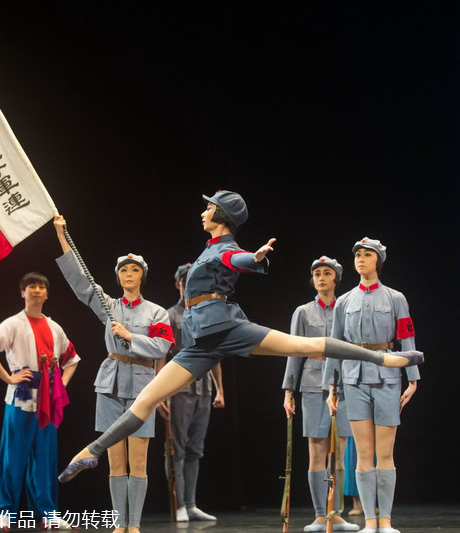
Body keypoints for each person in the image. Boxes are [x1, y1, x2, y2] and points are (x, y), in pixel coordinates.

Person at [57, 190, 422, 488]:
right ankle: (91, 451)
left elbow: (238, 258)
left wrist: (256, 256)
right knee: (148, 398)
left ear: (222, 214)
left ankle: (384, 359)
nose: (203, 212)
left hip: (227, 328)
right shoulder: (208, 247)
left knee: (307, 346)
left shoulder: (225, 247)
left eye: (208, 207)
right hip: (200, 343)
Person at [54, 224, 174, 533]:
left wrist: (130, 335)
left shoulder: (158, 312)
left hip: (143, 386)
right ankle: (120, 524)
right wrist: (61, 236)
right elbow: (81, 282)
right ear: (118, 276)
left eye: (134, 270)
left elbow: (162, 347)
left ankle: (134, 524)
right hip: (109, 384)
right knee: (114, 461)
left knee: (138, 460)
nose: (129, 274)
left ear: (142, 275)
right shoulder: (109, 307)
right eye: (124, 270)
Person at [323, 238, 420, 533]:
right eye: (358, 255)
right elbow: (334, 344)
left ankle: (386, 520)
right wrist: (331, 386)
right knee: (363, 453)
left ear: (378, 260)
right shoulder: (344, 301)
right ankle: (368, 520)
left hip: (388, 377)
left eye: (367, 255)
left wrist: (413, 378)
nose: (361, 259)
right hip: (353, 378)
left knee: (386, 452)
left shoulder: (395, 298)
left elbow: (407, 339)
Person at [0, 272, 80, 532]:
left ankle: (48, 513)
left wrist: (62, 383)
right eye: (31, 287)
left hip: (48, 397)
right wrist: (9, 377)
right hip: (20, 399)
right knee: (12, 457)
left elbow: (73, 359)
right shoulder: (13, 323)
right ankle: (4, 514)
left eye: (41, 287)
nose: (36, 290)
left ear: (47, 294)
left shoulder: (54, 327)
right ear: (23, 293)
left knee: (46, 459)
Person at [282, 256, 360, 532]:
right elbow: (293, 351)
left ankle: (336, 514)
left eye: (327, 273)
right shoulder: (303, 312)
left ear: (336, 278)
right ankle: (319, 515)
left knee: (338, 452)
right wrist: (288, 391)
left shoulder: (348, 308)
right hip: (313, 385)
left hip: (343, 386)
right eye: (316, 273)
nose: (321, 277)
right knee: (317, 452)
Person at [161, 262, 224, 522]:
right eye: (184, 281)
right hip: (178, 387)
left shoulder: (209, 314)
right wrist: (162, 392)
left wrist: (220, 390)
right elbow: (161, 355)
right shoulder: (169, 315)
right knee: (176, 447)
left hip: (203, 388)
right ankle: (178, 504)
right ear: (178, 284)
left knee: (195, 448)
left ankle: (191, 503)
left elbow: (216, 354)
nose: (188, 285)